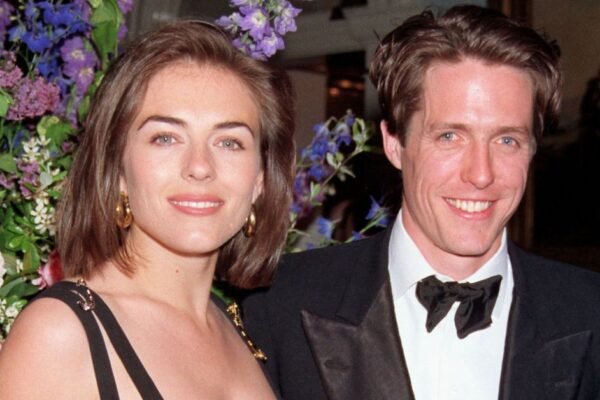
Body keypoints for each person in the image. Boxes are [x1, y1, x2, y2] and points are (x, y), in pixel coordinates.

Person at [242, 5, 600, 400]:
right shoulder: (278, 304)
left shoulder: (589, 310)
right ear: (394, 144)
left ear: (532, 149)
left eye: (507, 140)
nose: (481, 174)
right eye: (450, 136)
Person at [0, 20, 295, 399]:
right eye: (166, 138)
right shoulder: (60, 334)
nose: (200, 166)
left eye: (229, 142)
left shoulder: (242, 330)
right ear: (118, 170)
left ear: (259, 180)